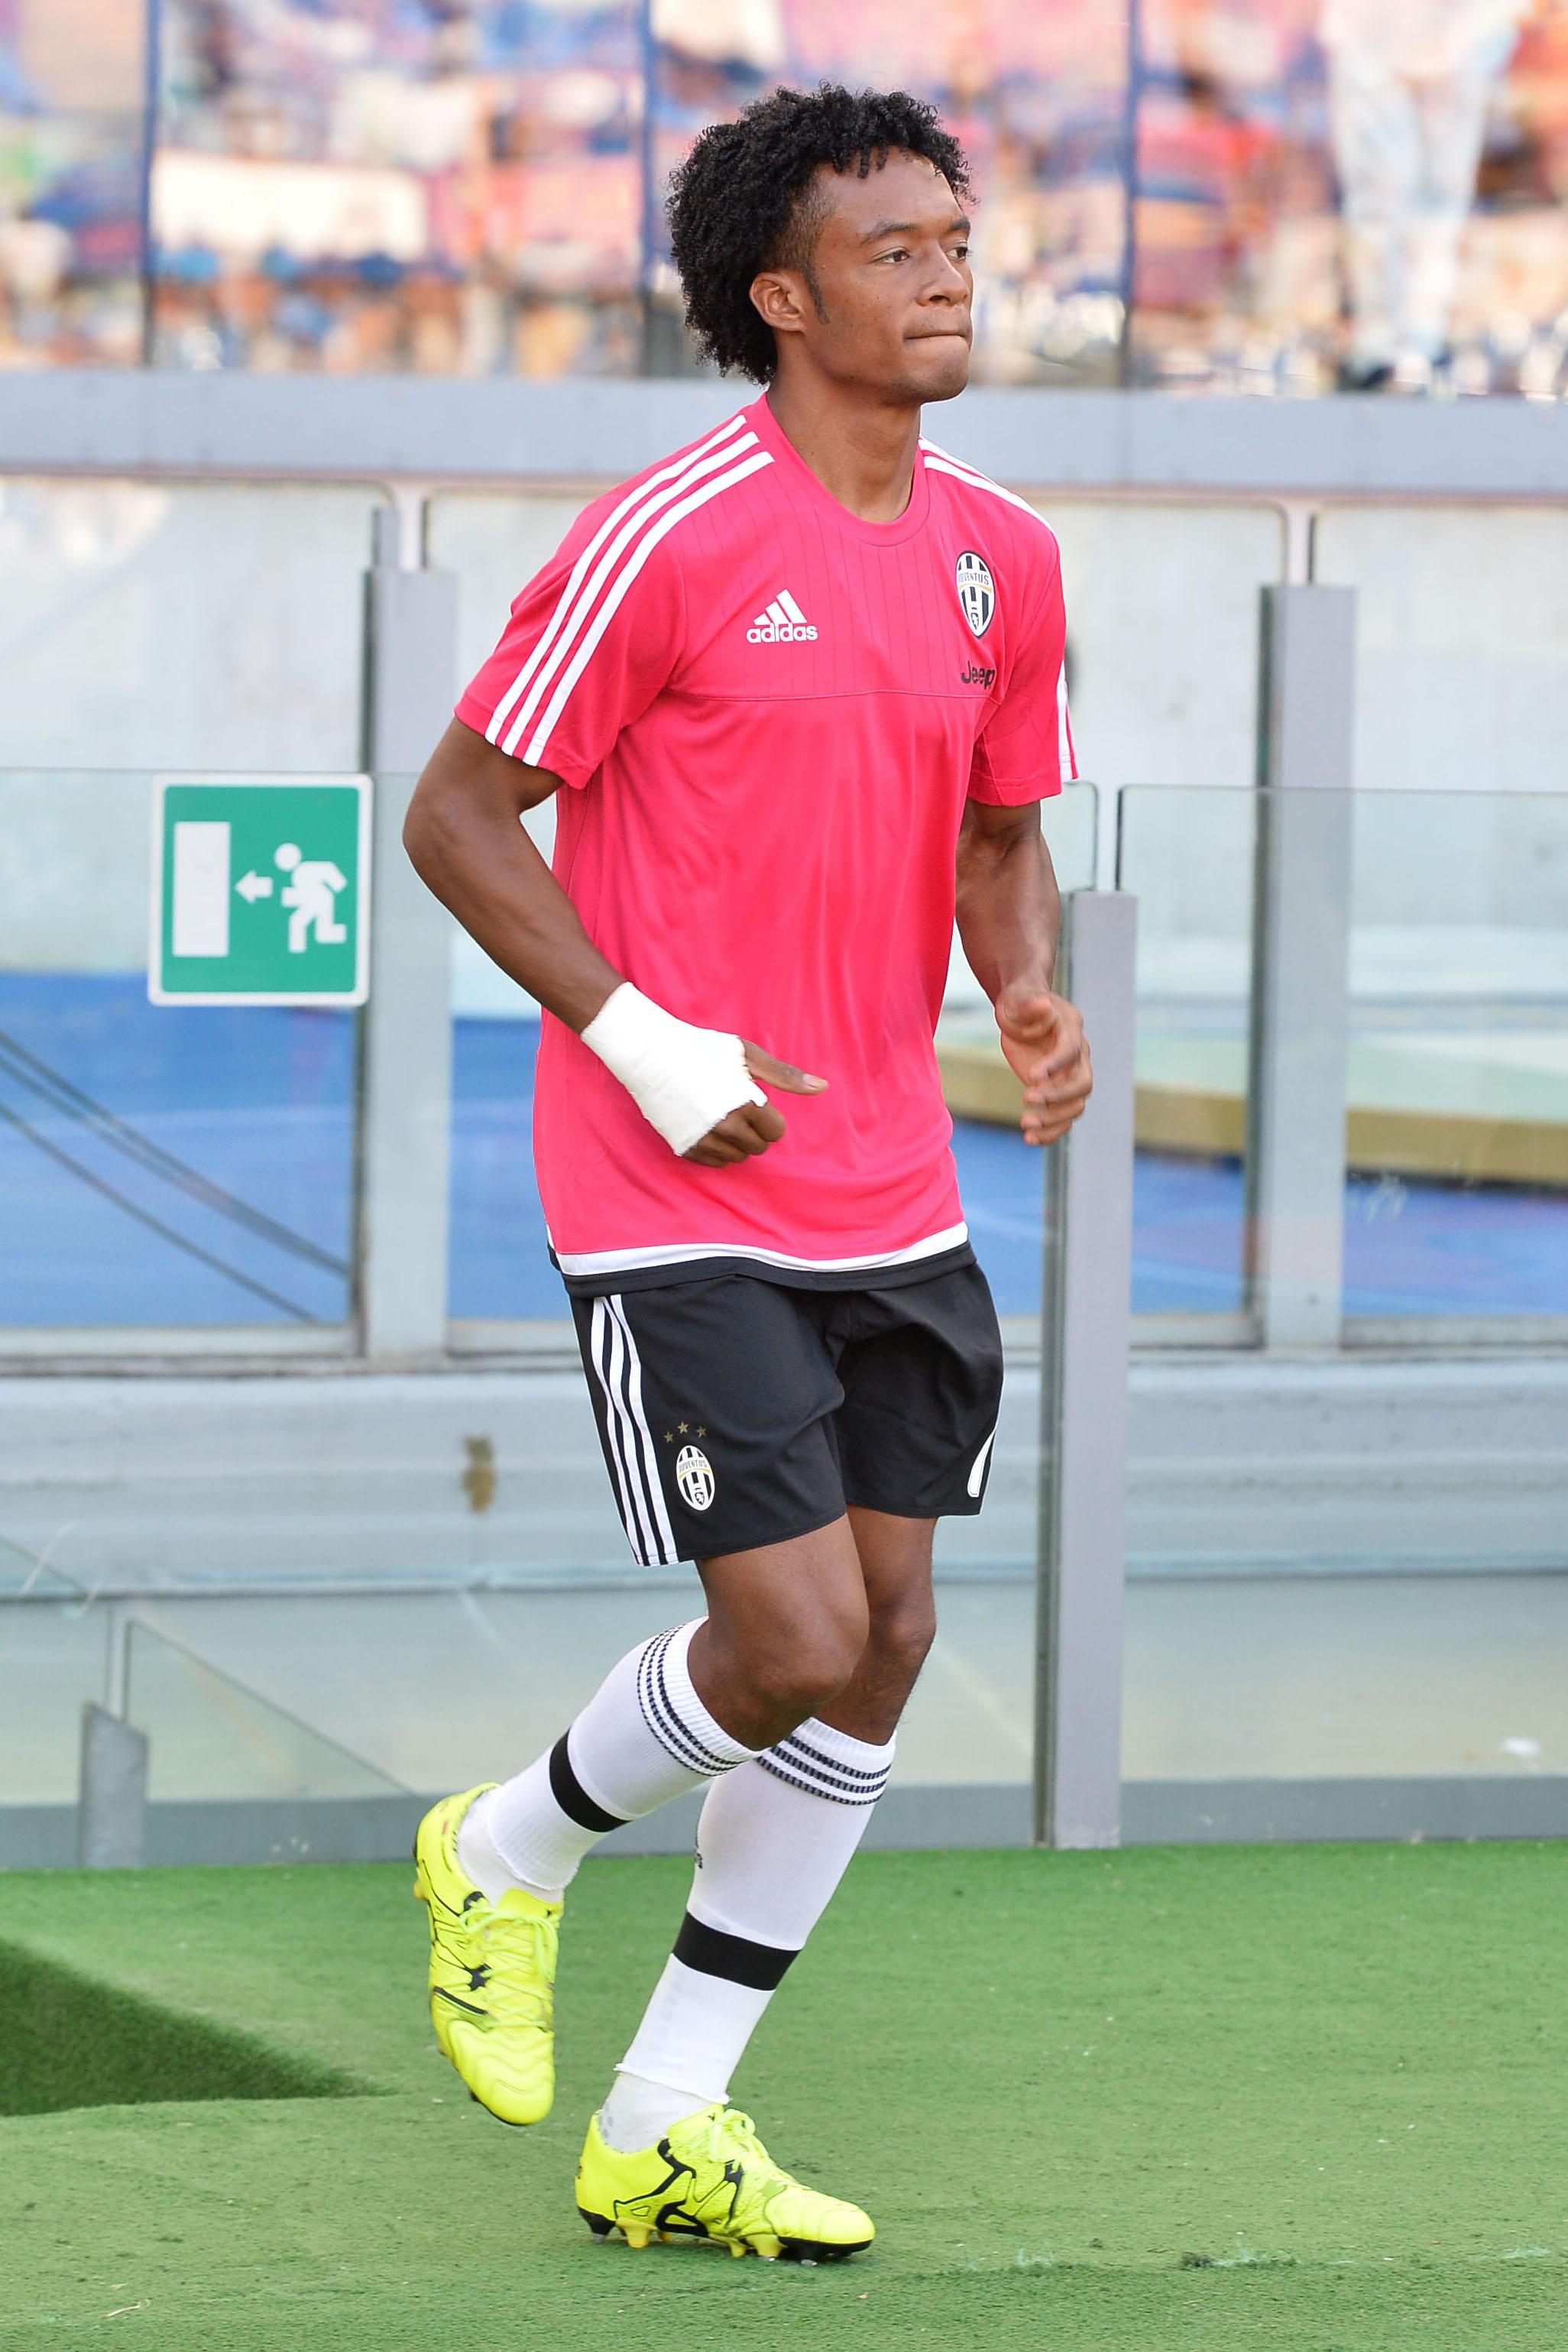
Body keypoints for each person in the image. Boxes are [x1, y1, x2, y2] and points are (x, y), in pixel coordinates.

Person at [402, 83, 1092, 2263]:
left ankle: (665, 2116)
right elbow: (453, 814)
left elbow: (998, 829)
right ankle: (507, 1844)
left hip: (896, 1182)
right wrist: (640, 1031)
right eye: (896, 250)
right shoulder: (671, 532)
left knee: (886, 1635)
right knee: (787, 1630)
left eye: (954, 240)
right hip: (665, 1182)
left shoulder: (1005, 554)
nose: (946, 276)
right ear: (782, 299)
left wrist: (1027, 985)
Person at [1322, 0, 1531, 387]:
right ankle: (1377, 342)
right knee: (1379, 198)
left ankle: (1422, 337)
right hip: (1372, 41)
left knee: (1440, 199)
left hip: (1463, 39)